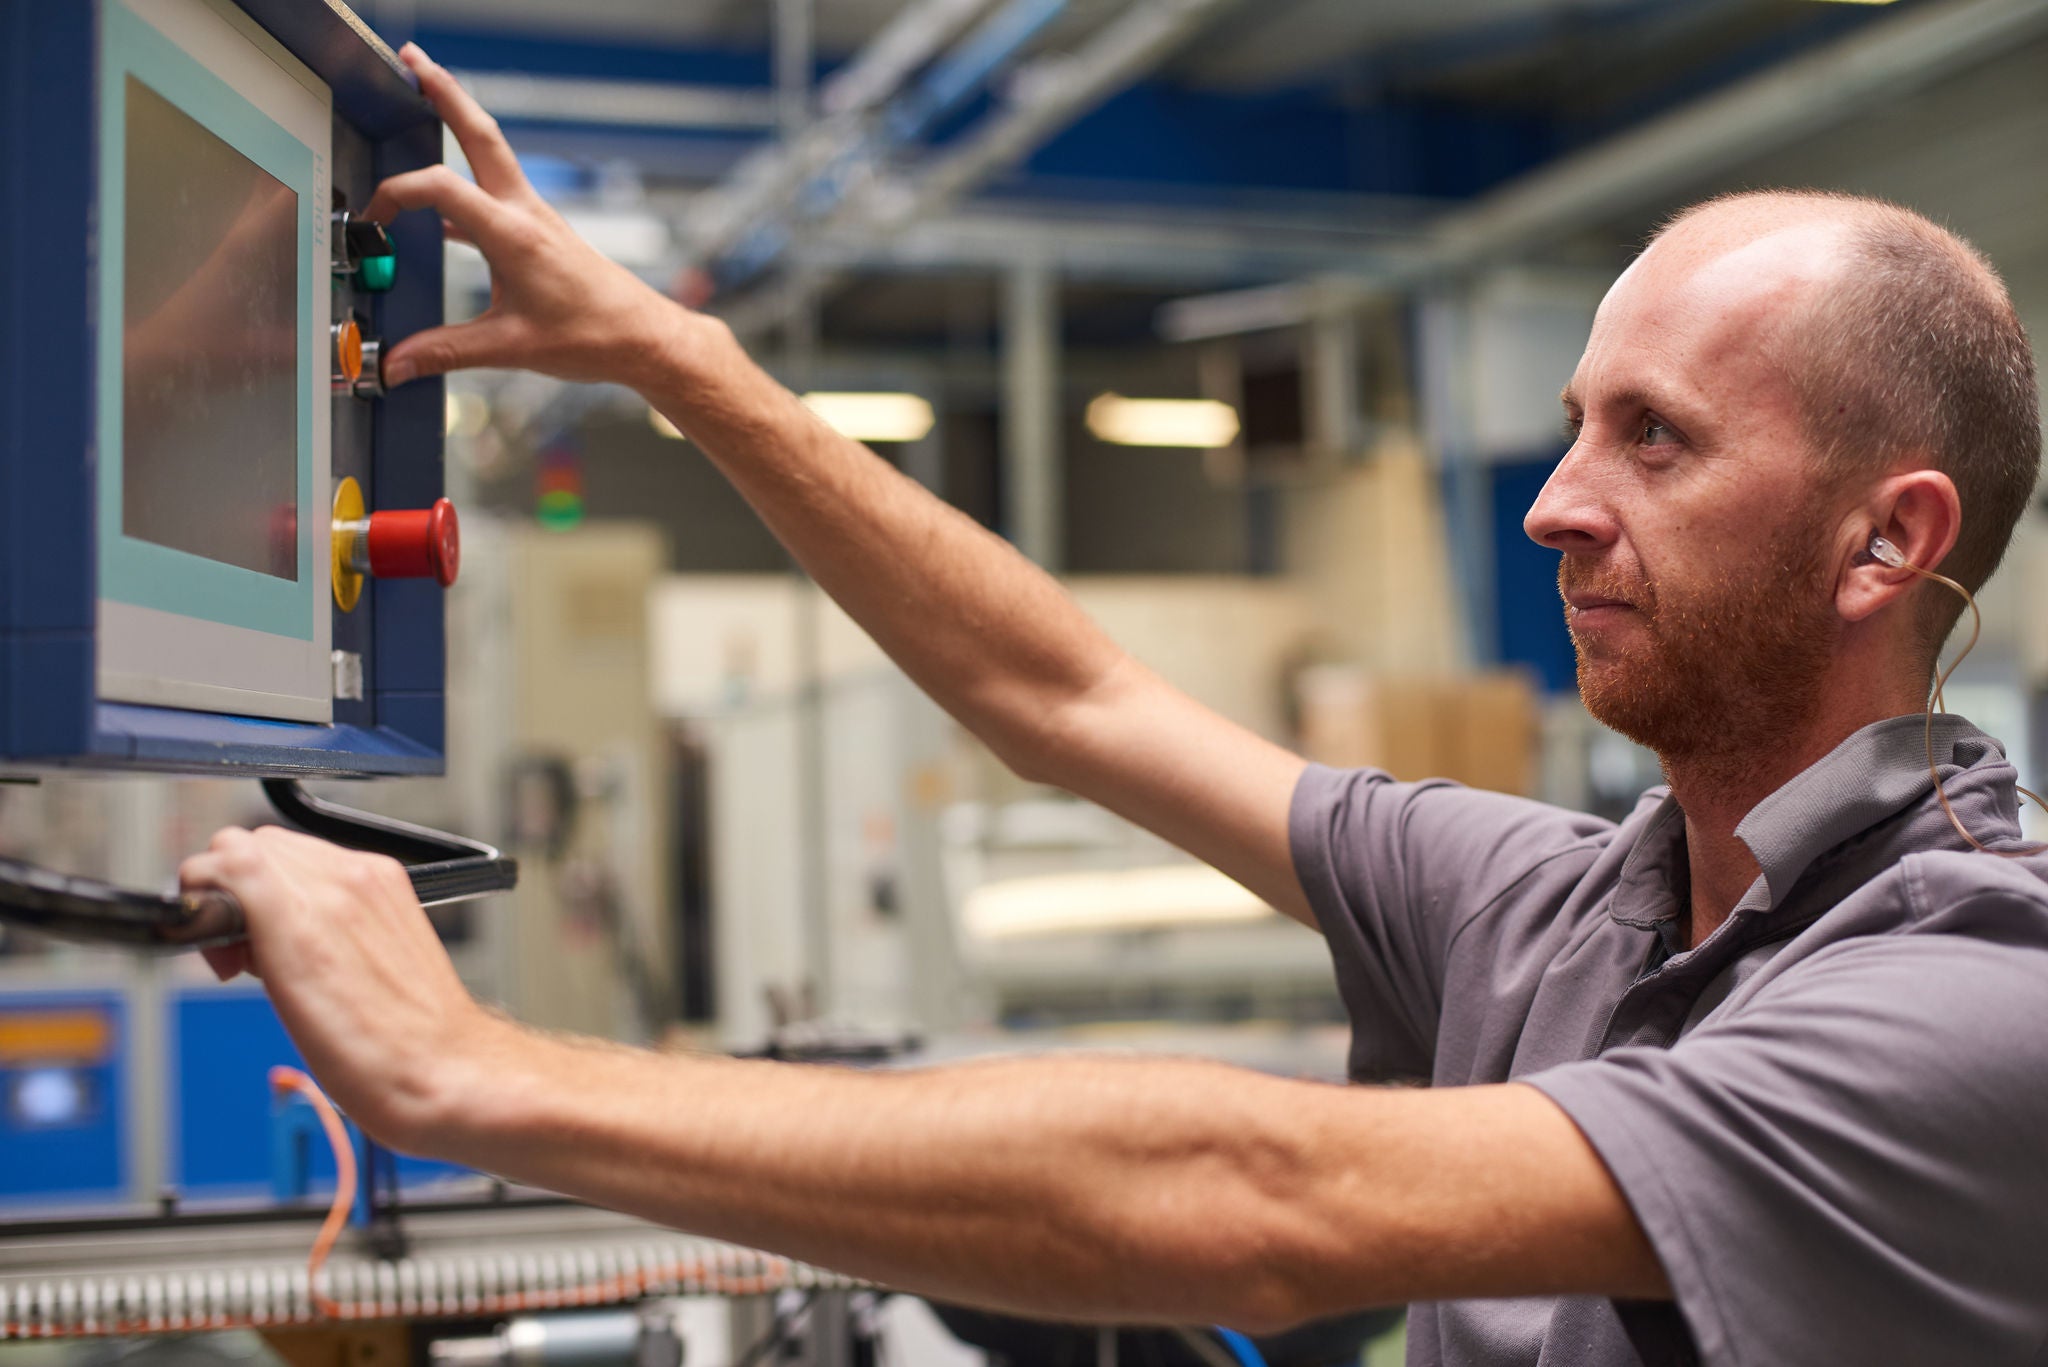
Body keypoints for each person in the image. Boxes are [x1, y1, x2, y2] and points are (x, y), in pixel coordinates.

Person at [179, 45, 2048, 1367]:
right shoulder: (1562, 905)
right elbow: (1062, 695)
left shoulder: (1976, 1002)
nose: (1559, 502)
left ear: (1886, 544)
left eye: (1654, 438)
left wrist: (469, 1071)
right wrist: (680, 360)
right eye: (1573, 425)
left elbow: (1265, 1203)